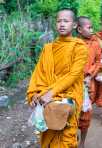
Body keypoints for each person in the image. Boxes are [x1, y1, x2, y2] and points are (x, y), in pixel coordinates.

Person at [26, 9, 88, 148]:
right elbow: (39, 73)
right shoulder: (48, 48)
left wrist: (51, 93)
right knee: (48, 133)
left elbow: (73, 75)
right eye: (59, 21)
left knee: (66, 138)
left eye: (66, 21)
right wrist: (35, 93)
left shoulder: (80, 47)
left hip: (69, 96)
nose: (62, 24)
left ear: (74, 25)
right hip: (46, 99)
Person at [77, 16, 102, 148]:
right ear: (80, 29)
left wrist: (89, 75)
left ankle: (82, 143)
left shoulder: (95, 44)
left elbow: (98, 62)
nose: (92, 30)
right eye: (89, 27)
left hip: (88, 83)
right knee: (71, 114)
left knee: (85, 116)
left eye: (92, 27)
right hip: (73, 84)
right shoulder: (73, 44)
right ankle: (72, 138)